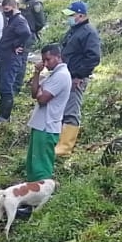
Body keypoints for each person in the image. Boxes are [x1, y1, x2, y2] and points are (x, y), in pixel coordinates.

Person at [56, 1, 102, 157]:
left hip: (76, 78)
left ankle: (65, 148)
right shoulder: (73, 30)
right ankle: (58, 142)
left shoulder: (89, 32)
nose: (69, 18)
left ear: (81, 15)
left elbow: (93, 58)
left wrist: (79, 75)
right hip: (65, 76)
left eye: (71, 15)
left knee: (71, 111)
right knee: (62, 109)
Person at [24, 44, 71, 181]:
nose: (45, 63)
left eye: (48, 59)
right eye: (43, 60)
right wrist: (37, 73)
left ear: (58, 57)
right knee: (33, 163)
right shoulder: (53, 75)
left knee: (41, 166)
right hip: (40, 124)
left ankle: (43, 195)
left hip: (47, 126)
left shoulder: (61, 75)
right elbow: (35, 94)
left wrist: (40, 92)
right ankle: (33, 194)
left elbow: (43, 99)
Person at [0, 0, 32, 121]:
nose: (5, 12)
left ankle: (4, 117)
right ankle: (1, 115)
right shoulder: (12, 20)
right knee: (1, 87)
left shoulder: (19, 21)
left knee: (6, 87)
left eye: (7, 9)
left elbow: (26, 33)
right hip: (5, 58)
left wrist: (16, 45)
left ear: (14, 7)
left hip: (11, 60)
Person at [17, 0, 47, 90]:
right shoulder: (21, 2)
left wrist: (33, 30)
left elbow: (41, 21)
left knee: (22, 59)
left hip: (28, 34)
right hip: (17, 33)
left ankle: (17, 85)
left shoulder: (36, 4)